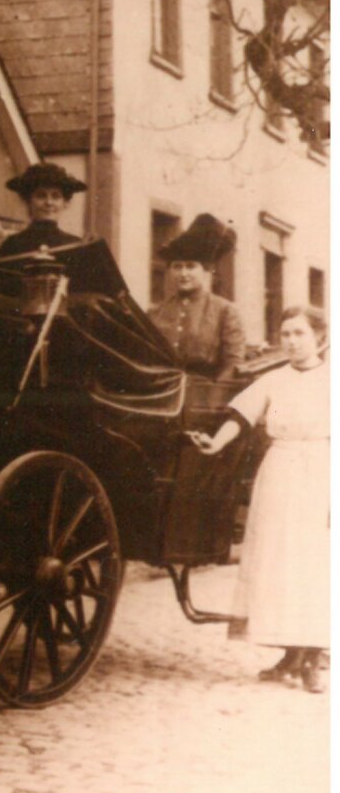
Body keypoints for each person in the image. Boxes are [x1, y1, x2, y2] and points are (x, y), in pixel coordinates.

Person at [191, 306, 329, 693]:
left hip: (321, 472)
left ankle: (313, 658)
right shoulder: (274, 379)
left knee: (314, 563)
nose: (291, 341)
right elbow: (241, 416)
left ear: (319, 337)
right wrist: (214, 442)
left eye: (299, 333)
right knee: (279, 563)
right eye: (285, 334)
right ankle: (291, 654)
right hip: (280, 473)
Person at [148, 214, 246, 380]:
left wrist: (212, 397)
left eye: (191, 266)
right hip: (162, 396)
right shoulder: (155, 313)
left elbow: (232, 364)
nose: (183, 273)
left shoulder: (225, 311)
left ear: (206, 269)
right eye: (177, 267)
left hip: (205, 398)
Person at [0, 163, 87, 259]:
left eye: (56, 196)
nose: (49, 202)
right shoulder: (12, 245)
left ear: (65, 203)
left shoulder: (75, 246)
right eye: (41, 195)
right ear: (28, 201)